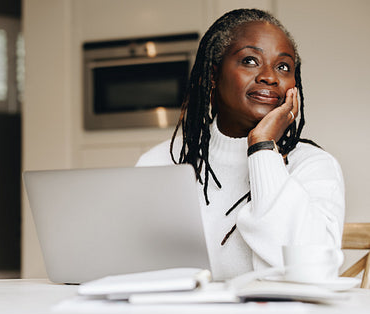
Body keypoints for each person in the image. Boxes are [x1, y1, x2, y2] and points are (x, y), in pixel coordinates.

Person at [136, 8, 345, 281]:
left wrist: (262, 148)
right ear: (213, 75)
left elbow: (312, 274)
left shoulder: (313, 166)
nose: (270, 76)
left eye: (283, 66)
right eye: (250, 60)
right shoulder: (159, 162)